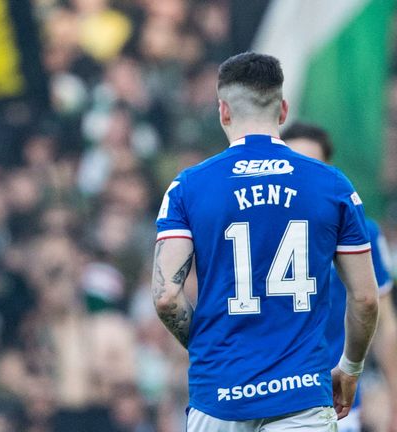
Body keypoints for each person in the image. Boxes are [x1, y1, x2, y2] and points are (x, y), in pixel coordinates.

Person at [153, 52, 379, 431]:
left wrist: (211, 349)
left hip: (219, 396)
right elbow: (366, 298)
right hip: (303, 395)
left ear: (223, 111)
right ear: (283, 109)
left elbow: (166, 297)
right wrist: (351, 368)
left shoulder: (188, 187)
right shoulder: (332, 185)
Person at [283, 122, 397, 432]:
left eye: (312, 167)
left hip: (339, 405)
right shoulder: (260, 235)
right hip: (273, 403)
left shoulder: (363, 234)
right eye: (295, 167)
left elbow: (385, 324)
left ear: (328, 171)